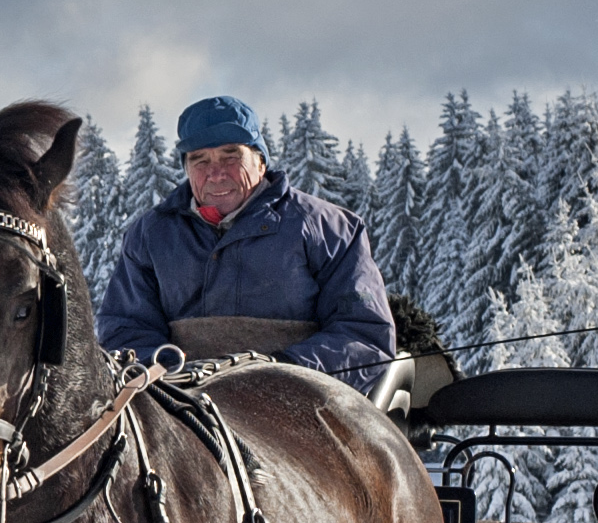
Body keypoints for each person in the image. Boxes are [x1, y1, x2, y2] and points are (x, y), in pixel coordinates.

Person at [95, 96, 396, 390]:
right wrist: (169, 373)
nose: (215, 173)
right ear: (186, 169)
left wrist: (284, 371)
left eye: (231, 156)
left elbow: (363, 334)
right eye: (200, 160)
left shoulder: (329, 229)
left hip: (301, 400)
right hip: (183, 404)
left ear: (261, 162)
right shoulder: (151, 235)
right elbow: (126, 328)